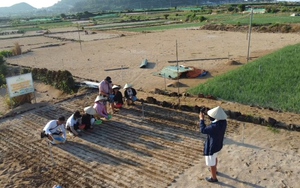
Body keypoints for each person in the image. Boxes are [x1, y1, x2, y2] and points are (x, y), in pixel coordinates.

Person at [199, 106, 227, 183]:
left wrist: (202, 119)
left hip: (213, 145)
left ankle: (213, 178)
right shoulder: (223, 122)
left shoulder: (214, 127)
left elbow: (203, 130)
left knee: (211, 162)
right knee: (215, 157)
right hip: (218, 144)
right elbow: (214, 119)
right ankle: (215, 170)